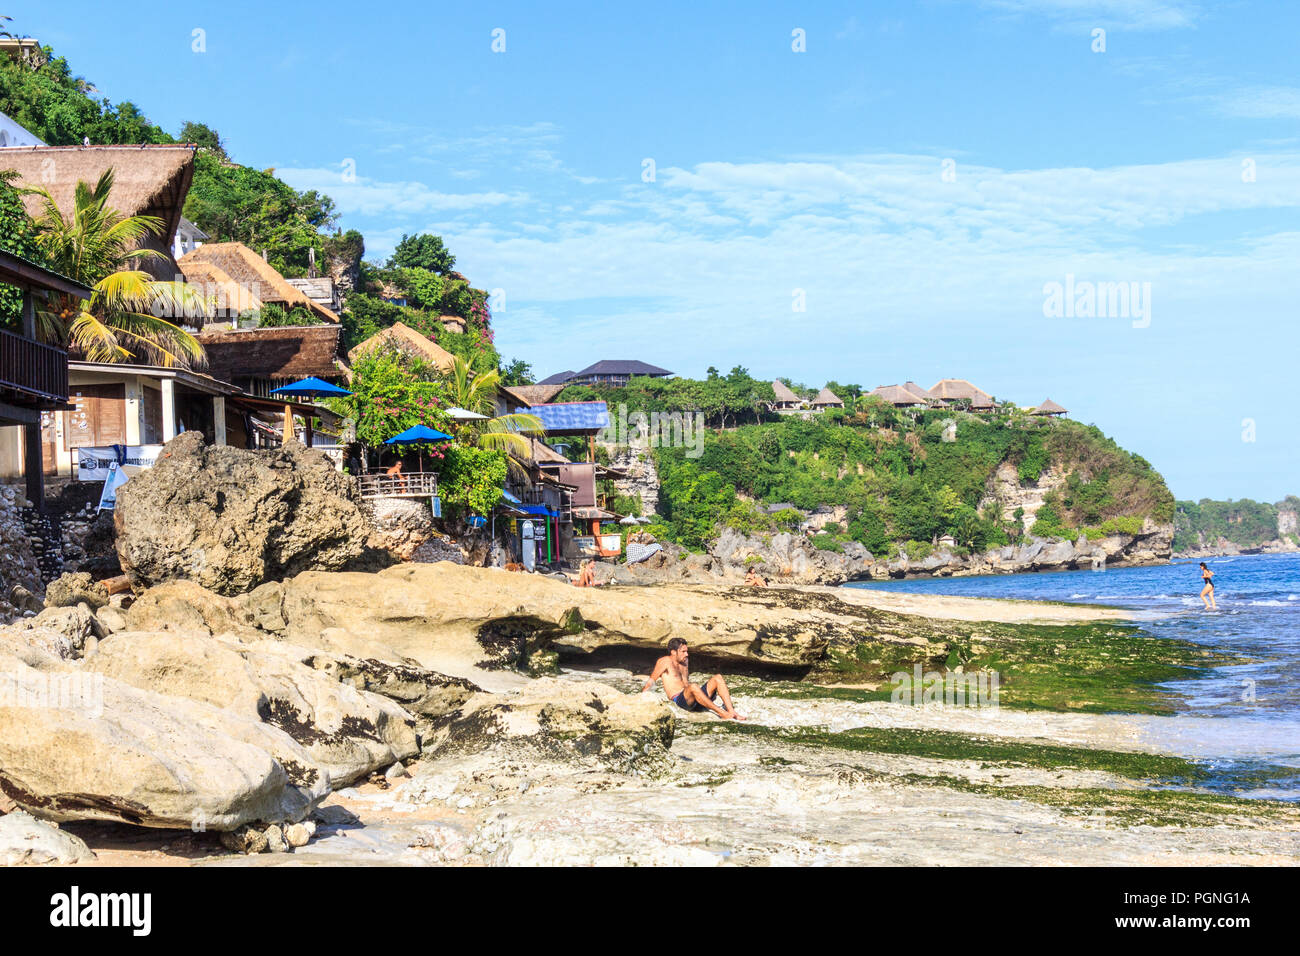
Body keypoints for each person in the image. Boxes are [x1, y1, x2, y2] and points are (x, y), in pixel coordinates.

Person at [640, 637, 744, 720]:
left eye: (687, 651)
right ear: (673, 652)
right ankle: (722, 713)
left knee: (718, 678)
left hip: (694, 699)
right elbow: (651, 681)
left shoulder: (685, 662)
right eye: (683, 651)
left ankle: (732, 711)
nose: (687, 654)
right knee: (693, 686)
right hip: (680, 701)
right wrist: (640, 699)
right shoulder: (665, 661)